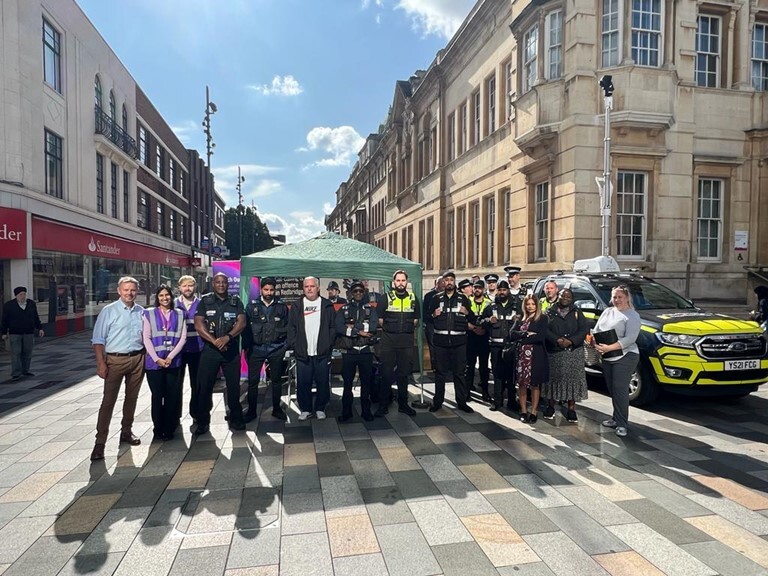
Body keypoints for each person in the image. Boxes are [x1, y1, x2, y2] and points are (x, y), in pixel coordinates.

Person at [90, 276, 146, 461]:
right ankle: (100, 443)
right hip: (115, 360)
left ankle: (126, 431)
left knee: (132, 398)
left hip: (137, 358)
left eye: (133, 290)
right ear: (119, 291)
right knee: (108, 402)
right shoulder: (109, 311)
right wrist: (101, 363)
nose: (130, 293)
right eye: (126, 290)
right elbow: (98, 340)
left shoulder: (141, 312)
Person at [194, 273, 247, 434]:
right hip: (210, 351)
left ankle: (235, 418)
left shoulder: (235, 301)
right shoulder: (205, 301)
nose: (221, 285)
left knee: (233, 387)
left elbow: (242, 322)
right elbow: (199, 324)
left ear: (228, 284)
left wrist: (227, 337)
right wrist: (214, 340)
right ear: (213, 284)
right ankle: (203, 421)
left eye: (224, 282)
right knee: (205, 387)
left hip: (230, 351)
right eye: (218, 282)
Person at [594, 285, 641, 437]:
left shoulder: (632, 316)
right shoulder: (608, 311)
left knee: (620, 390)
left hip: (626, 356)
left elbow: (630, 339)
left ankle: (622, 424)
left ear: (627, 298)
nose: (617, 300)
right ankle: (616, 418)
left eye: (620, 297)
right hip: (608, 356)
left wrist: (609, 347)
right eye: (614, 297)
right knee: (612, 389)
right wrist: (594, 343)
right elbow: (597, 329)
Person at [287, 276, 337, 421]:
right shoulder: (297, 306)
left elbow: (332, 328)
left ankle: (321, 408)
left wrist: (328, 345)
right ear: (303, 288)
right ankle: (306, 409)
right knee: (303, 382)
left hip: (322, 352)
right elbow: (291, 328)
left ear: (318, 288)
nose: (309, 289)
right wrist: (296, 346)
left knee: (322, 382)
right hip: (303, 352)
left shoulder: (326, 305)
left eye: (312, 286)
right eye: (306, 286)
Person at [142, 285, 187, 441]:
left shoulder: (180, 314)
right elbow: (146, 338)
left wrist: (171, 356)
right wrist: (156, 358)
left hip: (173, 362)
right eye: (161, 296)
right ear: (157, 298)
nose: (164, 298)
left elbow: (183, 338)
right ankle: (157, 428)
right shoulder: (148, 313)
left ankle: (169, 428)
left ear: (171, 296)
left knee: (171, 396)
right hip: (154, 364)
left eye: (167, 295)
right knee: (157, 396)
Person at [244, 277, 289, 422]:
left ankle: (276, 408)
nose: (269, 292)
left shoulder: (281, 306)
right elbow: (245, 329)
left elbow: (289, 327)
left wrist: (285, 346)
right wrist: (247, 348)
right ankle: (251, 411)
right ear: (261, 289)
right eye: (266, 289)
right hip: (256, 349)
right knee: (253, 381)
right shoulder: (251, 306)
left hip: (276, 348)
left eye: (271, 290)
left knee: (276, 380)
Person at [542, 288, 590, 423]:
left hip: (573, 352)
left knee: (572, 381)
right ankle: (550, 406)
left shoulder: (577, 312)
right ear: (559, 296)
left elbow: (584, 329)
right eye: (563, 295)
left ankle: (571, 409)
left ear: (572, 299)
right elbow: (545, 329)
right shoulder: (549, 311)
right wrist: (557, 340)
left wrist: (571, 341)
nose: (565, 298)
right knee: (553, 380)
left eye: (568, 297)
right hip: (555, 351)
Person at [428, 271, 473, 413]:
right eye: (446, 280)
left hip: (459, 342)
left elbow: (471, 317)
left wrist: (467, 313)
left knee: (459, 373)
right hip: (441, 342)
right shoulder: (436, 298)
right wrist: (433, 314)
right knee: (440, 373)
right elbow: (427, 318)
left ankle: (462, 402)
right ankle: (437, 402)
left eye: (451, 280)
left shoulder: (463, 298)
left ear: (454, 282)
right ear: (443, 282)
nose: (449, 282)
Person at [378, 270, 419, 416]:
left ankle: (403, 404)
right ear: (393, 282)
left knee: (404, 375)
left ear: (406, 282)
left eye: (403, 280)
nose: (400, 283)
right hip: (389, 342)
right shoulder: (385, 298)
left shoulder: (413, 298)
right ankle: (383, 405)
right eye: (398, 280)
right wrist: (392, 330)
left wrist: (404, 331)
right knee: (386, 374)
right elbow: (380, 319)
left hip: (406, 342)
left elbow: (416, 319)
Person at [336, 280, 378, 422]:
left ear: (364, 292)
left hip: (366, 351)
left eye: (361, 291)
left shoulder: (371, 309)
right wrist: (358, 331)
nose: (358, 293)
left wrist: (351, 328)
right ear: (351, 293)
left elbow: (372, 327)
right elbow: (339, 327)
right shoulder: (344, 309)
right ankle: (346, 411)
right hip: (349, 351)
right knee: (347, 383)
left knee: (366, 382)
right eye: (355, 291)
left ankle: (366, 411)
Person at [508, 295, 549, 422]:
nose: (530, 306)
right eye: (528, 304)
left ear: (537, 305)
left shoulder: (542, 318)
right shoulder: (520, 319)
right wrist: (525, 334)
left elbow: (540, 337)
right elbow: (511, 333)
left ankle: (534, 411)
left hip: (536, 355)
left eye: (533, 304)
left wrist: (522, 339)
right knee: (522, 384)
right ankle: (524, 411)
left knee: (535, 385)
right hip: (521, 356)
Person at [480, 280, 519, 411]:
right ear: (497, 291)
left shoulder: (516, 306)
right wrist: (488, 320)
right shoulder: (491, 306)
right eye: (500, 290)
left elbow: (525, 322)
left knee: (511, 375)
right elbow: (481, 321)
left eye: (504, 290)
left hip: (510, 346)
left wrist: (518, 320)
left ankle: (512, 401)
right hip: (496, 346)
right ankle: (497, 402)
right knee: (497, 374)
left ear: (508, 291)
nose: (502, 292)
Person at [175, 275, 204, 422]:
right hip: (178, 351)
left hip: (197, 349)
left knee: (197, 384)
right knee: (176, 385)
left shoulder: (201, 304)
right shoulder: (173, 304)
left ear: (195, 287)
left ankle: (197, 415)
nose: (188, 288)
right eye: (185, 285)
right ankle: (175, 416)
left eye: (190, 285)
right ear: (179, 287)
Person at [1, 286, 44, 381]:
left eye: (24, 294)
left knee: (27, 352)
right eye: (21, 295)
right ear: (16, 295)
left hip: (29, 332)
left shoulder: (31, 304)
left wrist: (40, 328)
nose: (23, 296)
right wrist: (4, 332)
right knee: (16, 353)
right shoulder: (9, 305)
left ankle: (25, 370)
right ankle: (16, 373)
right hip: (15, 333)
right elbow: (4, 320)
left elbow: (35, 317)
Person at [466, 279, 492, 402]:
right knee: (469, 366)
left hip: (484, 338)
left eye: (479, 288)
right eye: (475, 287)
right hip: (471, 337)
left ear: (483, 289)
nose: (477, 290)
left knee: (483, 367)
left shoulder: (488, 302)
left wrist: (483, 329)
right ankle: (467, 391)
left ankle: (485, 392)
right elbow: (464, 318)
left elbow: (491, 320)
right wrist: (474, 328)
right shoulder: (468, 301)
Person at [422, 276, 445, 374]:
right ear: (437, 284)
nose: (444, 285)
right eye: (442, 283)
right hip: (431, 324)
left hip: (444, 324)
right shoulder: (429, 296)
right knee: (433, 346)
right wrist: (433, 315)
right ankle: (435, 366)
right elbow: (425, 312)